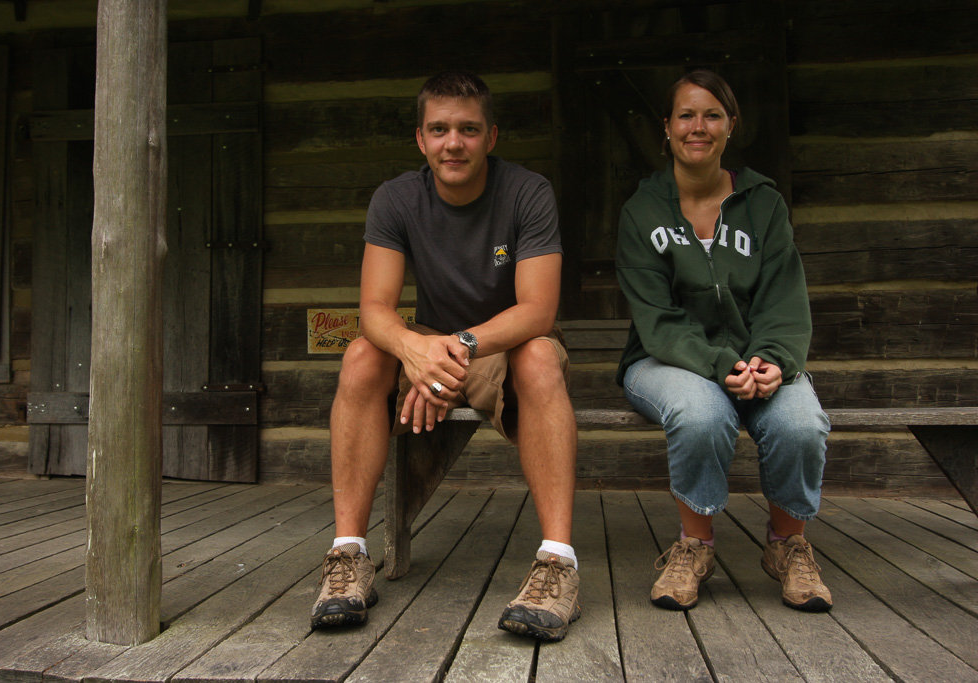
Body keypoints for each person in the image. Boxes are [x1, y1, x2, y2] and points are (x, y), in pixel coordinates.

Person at [310, 70, 581, 642]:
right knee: (362, 356)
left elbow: (537, 309)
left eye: (467, 129)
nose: (452, 142)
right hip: (434, 340)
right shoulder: (397, 198)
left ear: (491, 137)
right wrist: (415, 351)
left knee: (538, 356)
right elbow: (375, 310)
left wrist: (454, 351)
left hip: (505, 342)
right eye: (439, 129)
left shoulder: (527, 192)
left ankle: (558, 563)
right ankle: (348, 558)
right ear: (420, 139)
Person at [615, 70, 833, 612]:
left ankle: (788, 546)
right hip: (662, 360)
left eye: (712, 115)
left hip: (759, 357)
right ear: (665, 127)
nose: (698, 126)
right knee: (702, 410)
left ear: (730, 126)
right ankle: (695, 545)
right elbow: (657, 319)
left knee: (801, 421)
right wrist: (720, 364)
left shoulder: (764, 205)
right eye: (685, 115)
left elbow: (784, 299)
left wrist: (774, 361)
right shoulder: (642, 212)